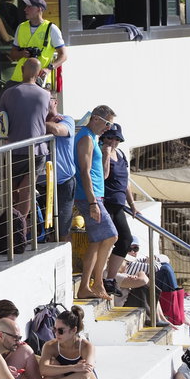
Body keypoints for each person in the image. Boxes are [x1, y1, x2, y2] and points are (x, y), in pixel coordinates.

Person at [0, 58, 50, 236]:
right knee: (27, 191)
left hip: (14, 148)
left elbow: (0, 116)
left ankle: (12, 227)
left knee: (12, 190)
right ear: (38, 72)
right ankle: (20, 229)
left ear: (23, 69)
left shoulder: (10, 93)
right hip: (38, 149)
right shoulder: (45, 94)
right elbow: (51, 115)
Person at [75, 105, 118, 300]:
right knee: (111, 236)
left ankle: (86, 286)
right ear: (95, 118)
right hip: (88, 197)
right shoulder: (85, 137)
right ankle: (97, 283)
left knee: (97, 240)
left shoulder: (92, 137)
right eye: (107, 123)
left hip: (94, 196)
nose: (108, 128)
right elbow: (84, 172)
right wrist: (93, 202)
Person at [39, 306, 102, 379]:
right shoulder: (50, 346)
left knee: (85, 367)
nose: (56, 334)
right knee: (53, 363)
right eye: (54, 329)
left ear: (74, 330)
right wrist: (73, 367)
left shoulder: (86, 346)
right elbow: (43, 369)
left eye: (61, 331)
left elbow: (85, 374)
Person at [100, 122, 138, 298]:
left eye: (116, 138)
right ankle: (103, 278)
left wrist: (132, 204)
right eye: (109, 137)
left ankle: (110, 278)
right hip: (106, 202)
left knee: (125, 240)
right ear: (103, 137)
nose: (112, 141)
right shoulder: (101, 152)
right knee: (111, 239)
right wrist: (106, 156)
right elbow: (104, 175)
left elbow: (126, 182)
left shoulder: (121, 154)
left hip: (119, 204)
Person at [9, 0, 67, 88]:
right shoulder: (21, 27)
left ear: (39, 9)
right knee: (2, 100)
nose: (25, 9)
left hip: (40, 80)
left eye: (29, 7)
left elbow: (63, 55)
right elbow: (12, 54)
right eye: (26, 6)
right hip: (18, 78)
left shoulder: (51, 28)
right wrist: (22, 54)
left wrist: (49, 69)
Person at [45, 94, 76, 240]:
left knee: (63, 229)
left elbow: (58, 130)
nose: (43, 101)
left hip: (63, 182)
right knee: (43, 229)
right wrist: (45, 123)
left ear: (55, 101)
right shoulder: (41, 120)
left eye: (47, 98)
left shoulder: (67, 119)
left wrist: (38, 123)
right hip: (41, 183)